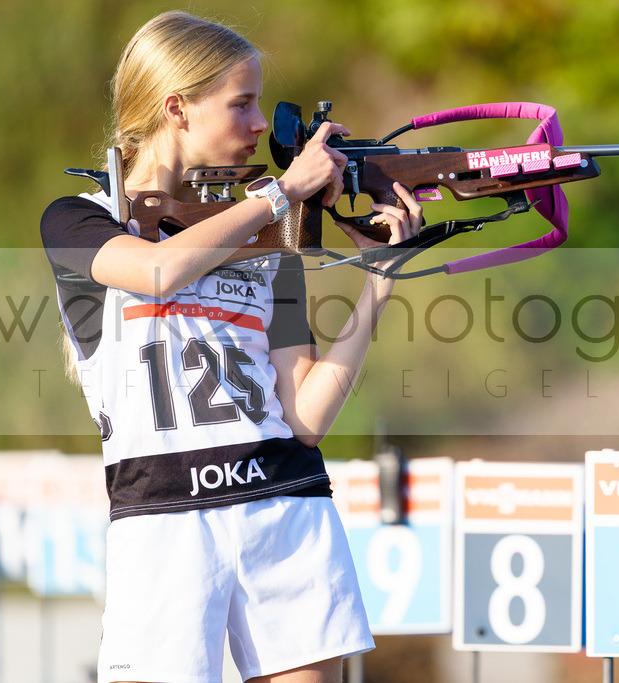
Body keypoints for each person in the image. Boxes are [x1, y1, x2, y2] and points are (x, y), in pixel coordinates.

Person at [40, 11, 421, 683]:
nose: (258, 125)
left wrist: (379, 283)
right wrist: (284, 193)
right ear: (176, 108)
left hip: (283, 502)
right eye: (241, 103)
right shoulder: (79, 217)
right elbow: (158, 270)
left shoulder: (270, 233)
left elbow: (305, 416)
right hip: (161, 518)